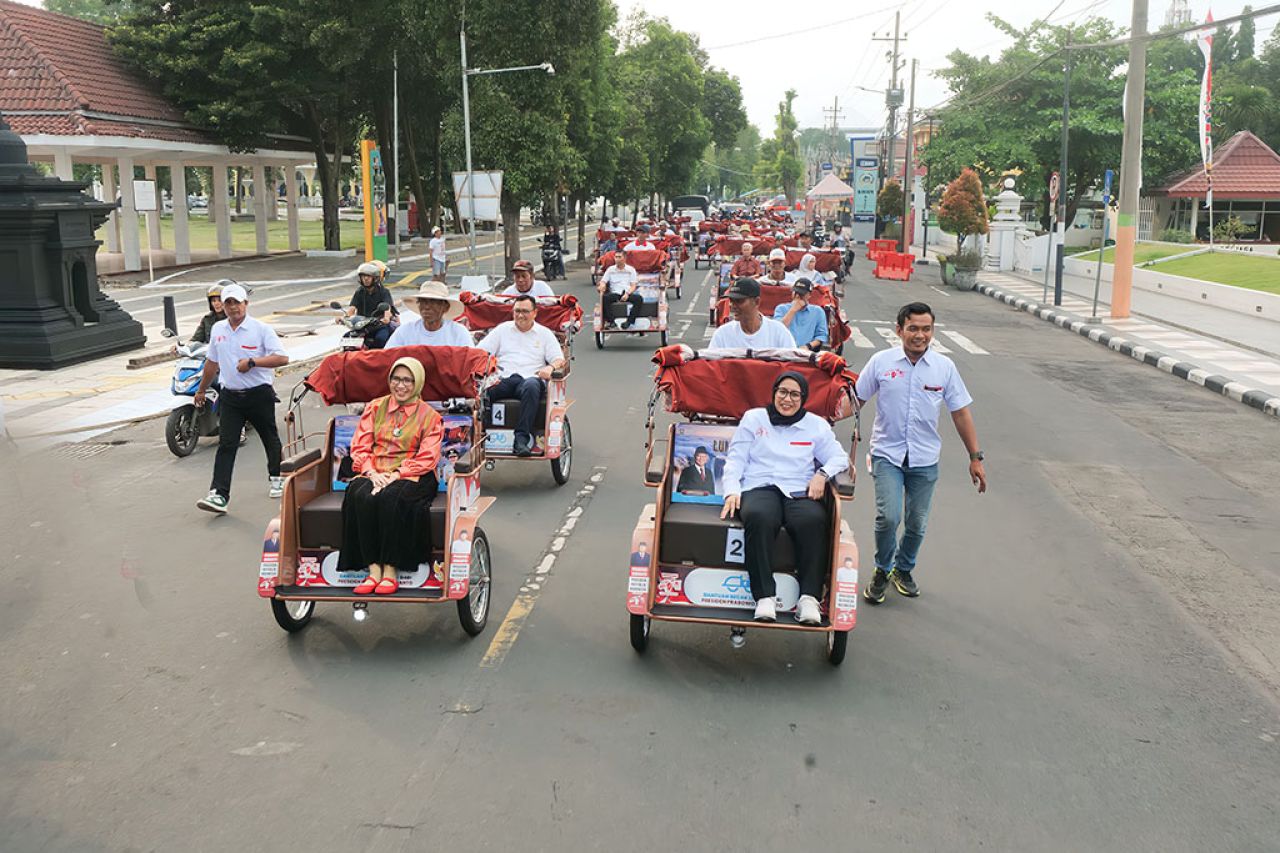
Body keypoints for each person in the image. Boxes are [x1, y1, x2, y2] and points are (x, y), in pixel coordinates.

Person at [855, 302, 987, 604]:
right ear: (899, 330)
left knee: (917, 522)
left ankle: (903, 569)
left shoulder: (944, 368)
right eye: (913, 328)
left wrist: (975, 458)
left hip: (925, 459)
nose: (920, 335)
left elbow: (960, 413)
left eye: (926, 329)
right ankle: (882, 569)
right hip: (887, 454)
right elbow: (855, 400)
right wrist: (817, 421)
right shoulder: (880, 362)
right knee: (888, 517)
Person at [720, 371, 849, 624]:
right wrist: (732, 490)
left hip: (798, 488)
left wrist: (822, 475)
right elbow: (736, 459)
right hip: (760, 484)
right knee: (759, 516)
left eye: (794, 394)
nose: (787, 399)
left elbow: (839, 457)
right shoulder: (754, 418)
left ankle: (809, 598)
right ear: (774, 393)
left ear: (803, 398)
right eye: (782, 392)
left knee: (813, 520)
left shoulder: (815, 425)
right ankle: (765, 597)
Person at [339, 357, 445, 595]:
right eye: (396, 379)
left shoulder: (429, 416)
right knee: (360, 495)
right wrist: (371, 472)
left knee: (391, 498)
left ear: (417, 383)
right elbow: (360, 446)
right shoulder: (375, 407)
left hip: (414, 473)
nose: (401, 385)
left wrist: (396, 474)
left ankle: (390, 570)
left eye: (407, 380)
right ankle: (373, 569)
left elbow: (428, 457)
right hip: (375, 469)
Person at [194, 283, 290, 513]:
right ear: (223, 307)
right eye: (228, 303)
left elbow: (282, 358)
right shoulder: (218, 330)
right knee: (227, 443)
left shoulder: (261, 329)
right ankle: (219, 494)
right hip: (231, 397)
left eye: (237, 302)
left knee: (269, 436)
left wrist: (253, 362)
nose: (233, 307)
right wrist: (201, 389)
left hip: (259, 393)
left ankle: (277, 477)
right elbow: (211, 363)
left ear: (246, 304)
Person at [478, 294, 566, 457]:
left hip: (530, 379)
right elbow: (481, 351)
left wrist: (550, 367)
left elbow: (559, 359)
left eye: (525, 311)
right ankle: (482, 434)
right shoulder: (503, 329)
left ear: (535, 313)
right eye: (517, 311)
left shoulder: (544, 333)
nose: (520, 315)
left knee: (532, 386)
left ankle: (521, 440)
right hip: (504, 377)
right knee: (483, 392)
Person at [709, 278, 796, 350]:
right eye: (731, 301)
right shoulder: (722, 334)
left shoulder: (778, 332)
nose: (732, 306)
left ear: (757, 302)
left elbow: (791, 364)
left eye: (739, 301)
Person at [386, 281, 472, 347]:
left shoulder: (458, 333)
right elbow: (387, 357)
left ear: (445, 307)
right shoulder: (404, 331)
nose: (426, 307)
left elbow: (471, 362)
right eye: (423, 302)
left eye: (433, 302)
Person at [340, 262, 398, 348]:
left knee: (380, 338)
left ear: (375, 278)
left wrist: (386, 318)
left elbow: (387, 308)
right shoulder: (359, 292)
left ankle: (378, 359)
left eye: (368, 276)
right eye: (363, 276)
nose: (365, 279)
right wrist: (344, 318)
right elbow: (352, 309)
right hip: (362, 326)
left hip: (379, 326)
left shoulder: (384, 292)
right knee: (346, 337)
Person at [773, 279, 828, 351]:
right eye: (796, 293)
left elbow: (822, 335)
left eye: (802, 294)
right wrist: (793, 310)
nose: (798, 296)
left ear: (809, 295)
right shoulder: (781, 308)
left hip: (807, 350)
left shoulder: (817, 311)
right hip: (784, 349)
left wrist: (808, 346)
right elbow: (778, 329)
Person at [597, 252, 642, 329]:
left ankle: (629, 321)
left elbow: (633, 285)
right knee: (604, 298)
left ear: (624, 258)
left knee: (639, 299)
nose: (617, 259)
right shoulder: (610, 269)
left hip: (627, 292)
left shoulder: (631, 270)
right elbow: (603, 281)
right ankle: (611, 321)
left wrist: (627, 294)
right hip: (615, 292)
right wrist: (602, 285)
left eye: (619, 257)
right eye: (616, 257)